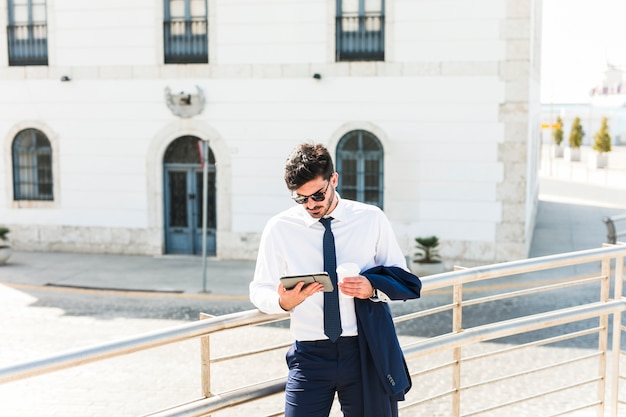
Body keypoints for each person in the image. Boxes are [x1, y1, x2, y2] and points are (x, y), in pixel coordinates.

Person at [249, 143, 422, 417]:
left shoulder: (371, 219)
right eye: (301, 199)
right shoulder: (279, 228)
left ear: (334, 179)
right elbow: (259, 289)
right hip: (310, 355)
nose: (311, 205)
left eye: (317, 195)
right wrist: (282, 301)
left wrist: (372, 287)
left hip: (363, 351)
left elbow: (405, 280)